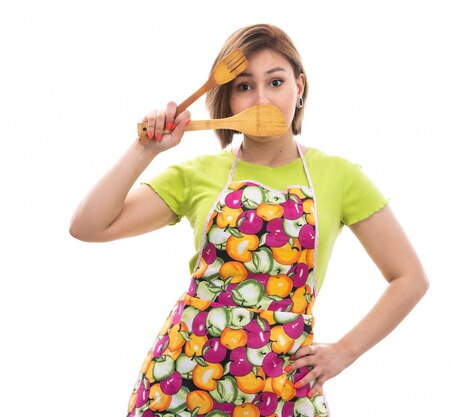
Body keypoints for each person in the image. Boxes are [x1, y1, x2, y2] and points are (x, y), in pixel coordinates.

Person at [70, 23, 429, 417]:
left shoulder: (340, 177)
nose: (261, 99)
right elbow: (88, 227)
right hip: (183, 374)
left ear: (300, 86)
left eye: (275, 82)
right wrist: (145, 149)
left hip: (283, 385)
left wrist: (344, 351)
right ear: (228, 100)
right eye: (244, 86)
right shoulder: (197, 175)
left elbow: (410, 278)